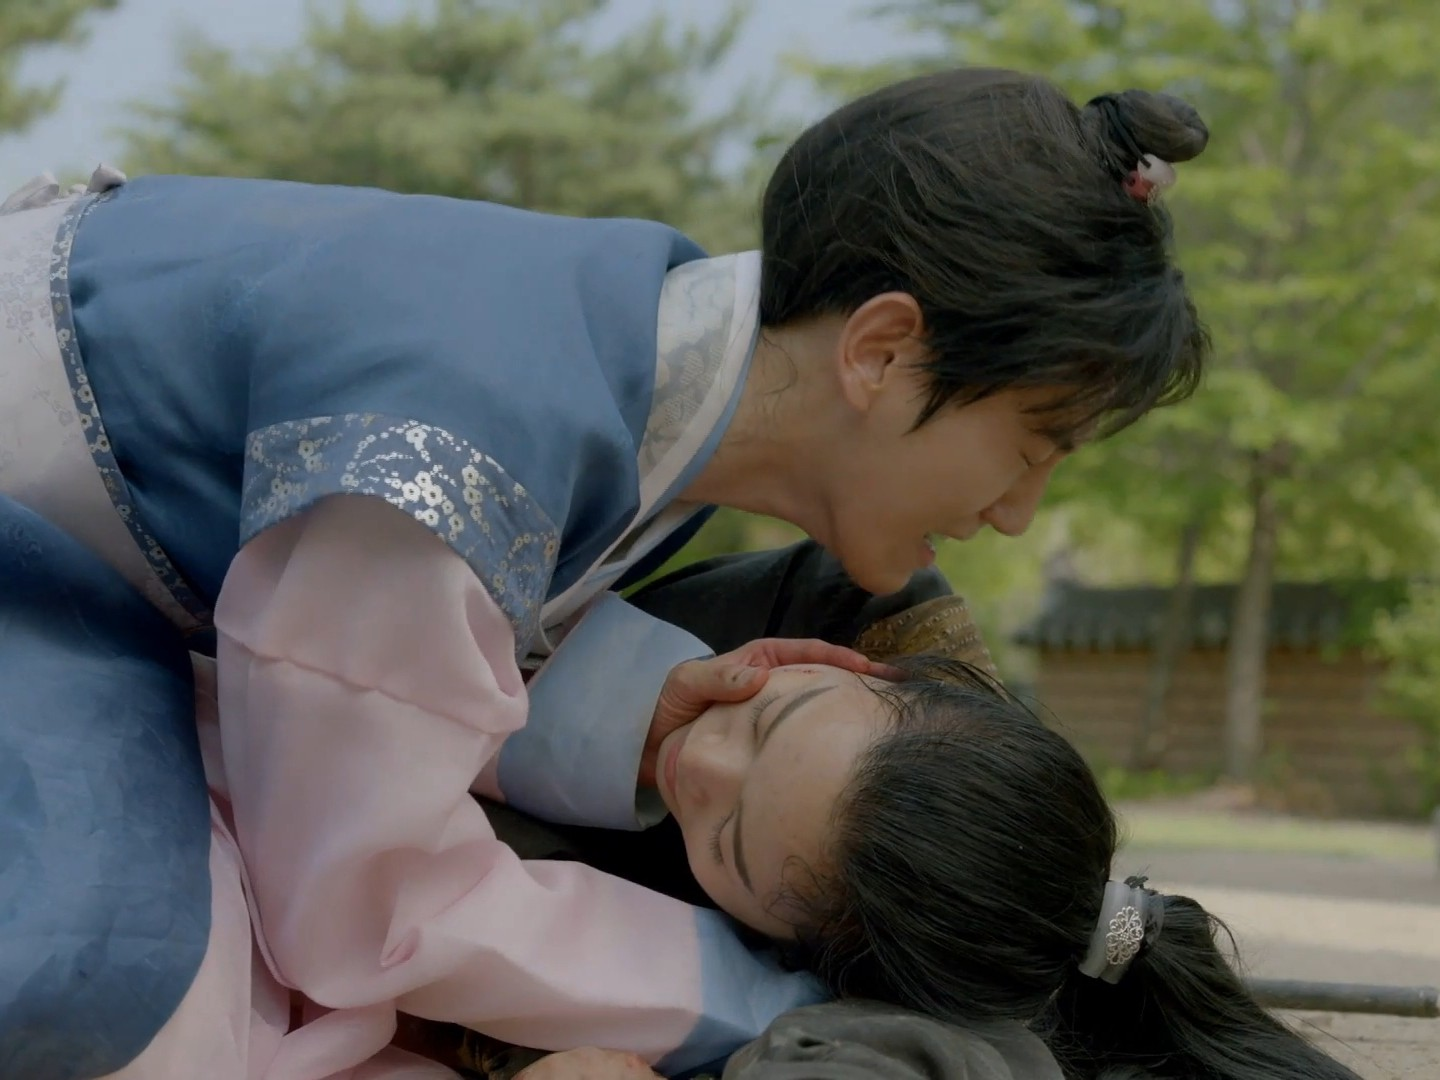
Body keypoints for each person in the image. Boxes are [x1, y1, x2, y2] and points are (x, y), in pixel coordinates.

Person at [0, 66, 1210, 1078]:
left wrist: (635, 718)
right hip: (37, 582)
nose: (1016, 514)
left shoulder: (633, 343)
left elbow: (403, 648)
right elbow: (360, 908)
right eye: (1030, 448)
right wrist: (774, 998)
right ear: (883, 351)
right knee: (132, 982)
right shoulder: (462, 440)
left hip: (87, 609)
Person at [410, 657, 1364, 1080]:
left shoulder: (804, 1022)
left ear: (799, 948)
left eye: (727, 843)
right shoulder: (818, 590)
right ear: (888, 670)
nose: (700, 763)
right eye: (768, 720)